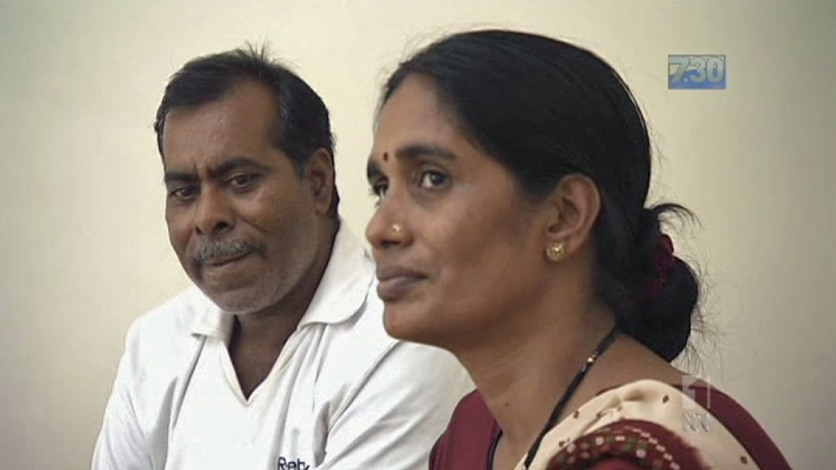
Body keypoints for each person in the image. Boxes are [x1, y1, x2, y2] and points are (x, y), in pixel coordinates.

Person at [365, 30, 791, 470]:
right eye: (382, 188)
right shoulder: (473, 430)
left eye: (432, 178)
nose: (380, 229)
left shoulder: (646, 456)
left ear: (565, 216)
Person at [92, 46, 471, 470]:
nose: (208, 218)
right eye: (184, 192)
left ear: (317, 183)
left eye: (239, 181)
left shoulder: (403, 341)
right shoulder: (155, 343)